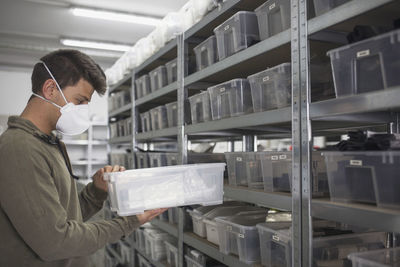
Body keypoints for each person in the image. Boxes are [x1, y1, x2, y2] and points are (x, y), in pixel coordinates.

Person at [0, 49, 166, 267]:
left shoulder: (48, 142)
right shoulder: (19, 148)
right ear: (50, 89)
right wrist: (127, 223)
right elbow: (55, 242)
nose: (82, 111)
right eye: (79, 101)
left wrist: (96, 191)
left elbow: (63, 215)